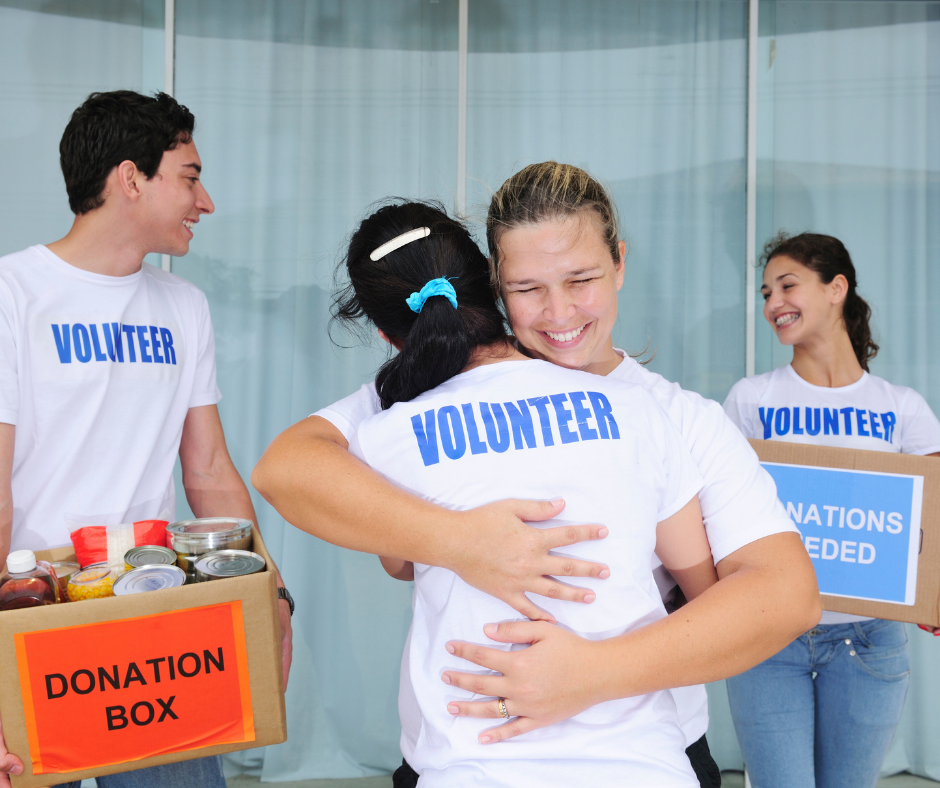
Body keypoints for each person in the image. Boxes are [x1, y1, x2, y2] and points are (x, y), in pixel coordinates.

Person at [252, 163, 821, 787]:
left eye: (582, 279)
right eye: (527, 289)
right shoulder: (421, 392)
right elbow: (288, 467)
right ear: (492, 288)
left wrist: (592, 674)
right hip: (463, 755)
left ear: (620, 263)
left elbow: (784, 596)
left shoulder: (674, 414)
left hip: (640, 750)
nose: (560, 312)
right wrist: (463, 541)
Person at [335, 200, 727, 786]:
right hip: (641, 764)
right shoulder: (637, 408)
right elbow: (703, 590)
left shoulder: (387, 435)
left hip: (473, 762)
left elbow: (401, 563)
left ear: (389, 334)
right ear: (492, 291)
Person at [0, 90, 293, 788]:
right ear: (131, 178)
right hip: (33, 612)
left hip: (157, 609)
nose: (207, 201)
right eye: (190, 177)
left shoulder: (182, 305)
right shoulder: (14, 294)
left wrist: (269, 592)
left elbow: (211, 469)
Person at [722, 232, 940, 788]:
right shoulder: (752, 400)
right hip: (769, 635)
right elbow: (720, 514)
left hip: (869, 643)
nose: (773, 304)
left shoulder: (902, 409)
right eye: (766, 293)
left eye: (787, 286)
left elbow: (933, 524)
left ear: (836, 288)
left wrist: (933, 592)